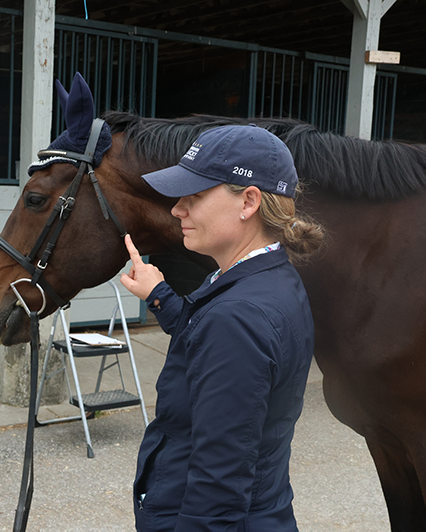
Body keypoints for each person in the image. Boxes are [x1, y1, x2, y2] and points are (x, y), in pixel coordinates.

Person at [119, 124, 324, 531]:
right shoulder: (263, 279)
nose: (177, 209)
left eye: (193, 196)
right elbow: (209, 348)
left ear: (248, 201)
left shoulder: (239, 315)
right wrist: (159, 294)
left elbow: (219, 484)